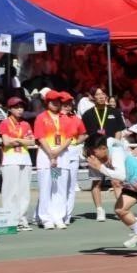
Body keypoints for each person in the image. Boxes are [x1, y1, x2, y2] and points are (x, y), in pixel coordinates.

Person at [34, 91, 84, 229]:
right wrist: (51, 153)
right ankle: (46, 218)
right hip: (46, 157)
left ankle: (58, 217)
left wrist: (57, 152)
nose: (56, 103)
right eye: (52, 101)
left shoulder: (65, 118)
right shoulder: (41, 117)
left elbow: (69, 138)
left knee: (58, 187)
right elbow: (40, 137)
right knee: (46, 187)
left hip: (61, 157)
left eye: (58, 101)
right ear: (47, 103)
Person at [81, 87, 126, 221]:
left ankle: (121, 209)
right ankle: (99, 210)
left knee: (116, 181)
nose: (101, 96)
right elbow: (85, 134)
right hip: (94, 152)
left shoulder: (115, 112)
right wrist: (87, 150)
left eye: (103, 94)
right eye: (98, 94)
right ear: (92, 97)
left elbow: (118, 131)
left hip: (111, 151)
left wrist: (115, 150)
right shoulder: (87, 114)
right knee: (97, 182)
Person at [0, 97, 34, 232]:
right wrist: (22, 139)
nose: (20, 110)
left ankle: (22, 219)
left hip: (24, 158)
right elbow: (6, 142)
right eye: (16, 107)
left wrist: (16, 140)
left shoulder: (25, 124)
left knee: (24, 192)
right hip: (10, 159)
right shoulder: (5, 123)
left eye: (21, 107)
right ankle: (11, 219)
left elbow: (32, 141)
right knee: (10, 191)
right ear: (10, 109)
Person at [59, 94, 87, 224]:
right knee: (55, 183)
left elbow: (84, 134)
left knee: (70, 186)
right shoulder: (55, 118)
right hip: (57, 156)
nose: (67, 107)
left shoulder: (76, 119)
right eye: (64, 104)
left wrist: (75, 142)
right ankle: (54, 213)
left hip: (72, 155)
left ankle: (67, 215)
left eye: (69, 104)